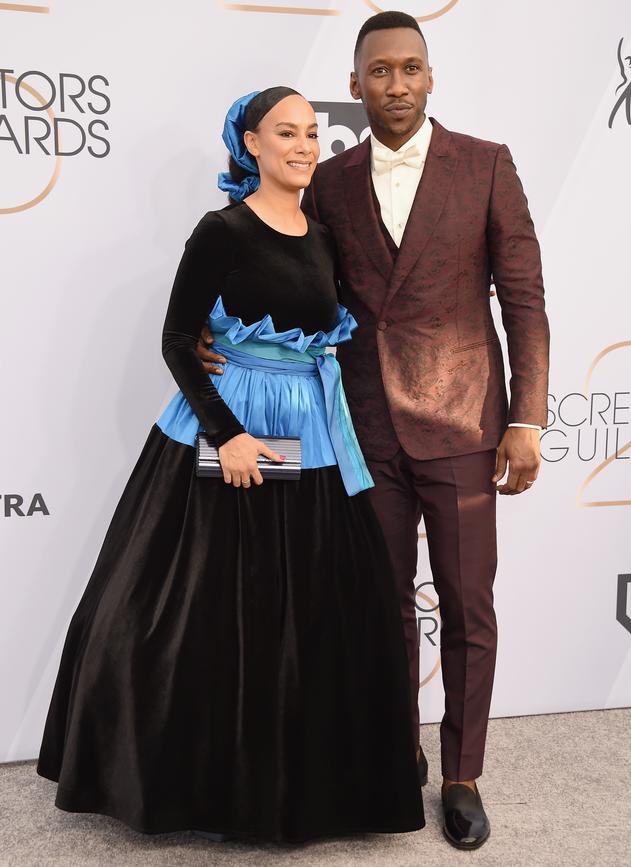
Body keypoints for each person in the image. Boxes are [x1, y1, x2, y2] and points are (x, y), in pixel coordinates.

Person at [198, 12, 550, 852]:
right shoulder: (329, 178)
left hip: (465, 421)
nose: (396, 84)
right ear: (354, 86)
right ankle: (400, 755)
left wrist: (526, 416)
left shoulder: (487, 165)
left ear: (430, 77)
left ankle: (462, 775)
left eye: (410, 68)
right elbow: (291, 273)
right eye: (379, 72)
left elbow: (525, 301)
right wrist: (223, 330)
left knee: (467, 605)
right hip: (358, 429)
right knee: (378, 605)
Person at [36, 86, 425, 843]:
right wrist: (229, 434)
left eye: (312, 132)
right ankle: (204, 787)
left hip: (309, 431)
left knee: (313, 609)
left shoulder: (322, 232)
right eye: (287, 132)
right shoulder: (220, 232)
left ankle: (309, 783)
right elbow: (180, 340)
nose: (305, 145)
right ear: (250, 143)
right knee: (210, 611)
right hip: (237, 434)